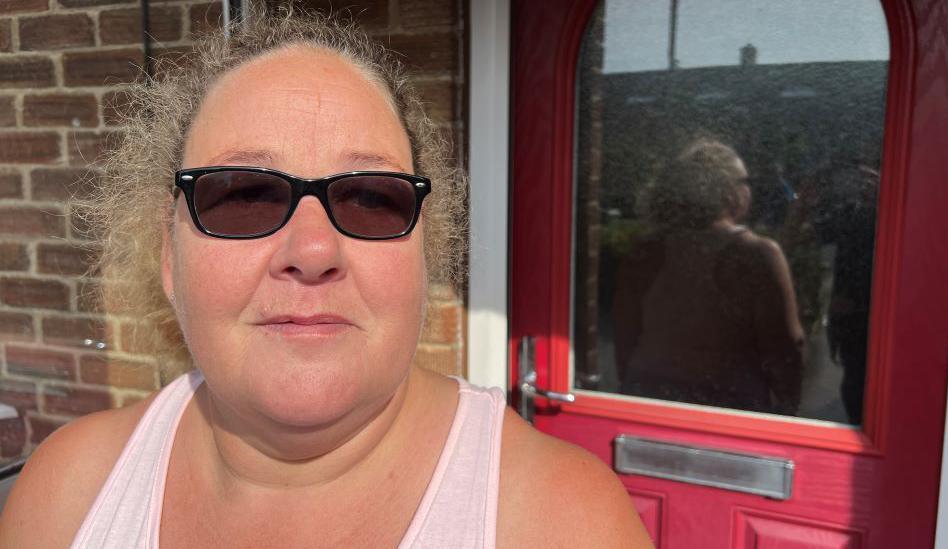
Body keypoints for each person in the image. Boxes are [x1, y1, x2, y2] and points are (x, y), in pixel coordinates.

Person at [0, 6, 651, 548]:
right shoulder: (65, 495)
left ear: (425, 252)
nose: (312, 249)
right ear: (170, 260)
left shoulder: (563, 522)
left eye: (370, 198)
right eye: (244, 195)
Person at [613, 138, 804, 415]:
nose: (750, 189)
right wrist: (789, 413)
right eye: (745, 181)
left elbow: (624, 336)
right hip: (727, 410)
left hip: (649, 400)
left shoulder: (646, 250)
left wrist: (633, 392)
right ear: (727, 190)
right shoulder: (756, 254)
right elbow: (786, 347)